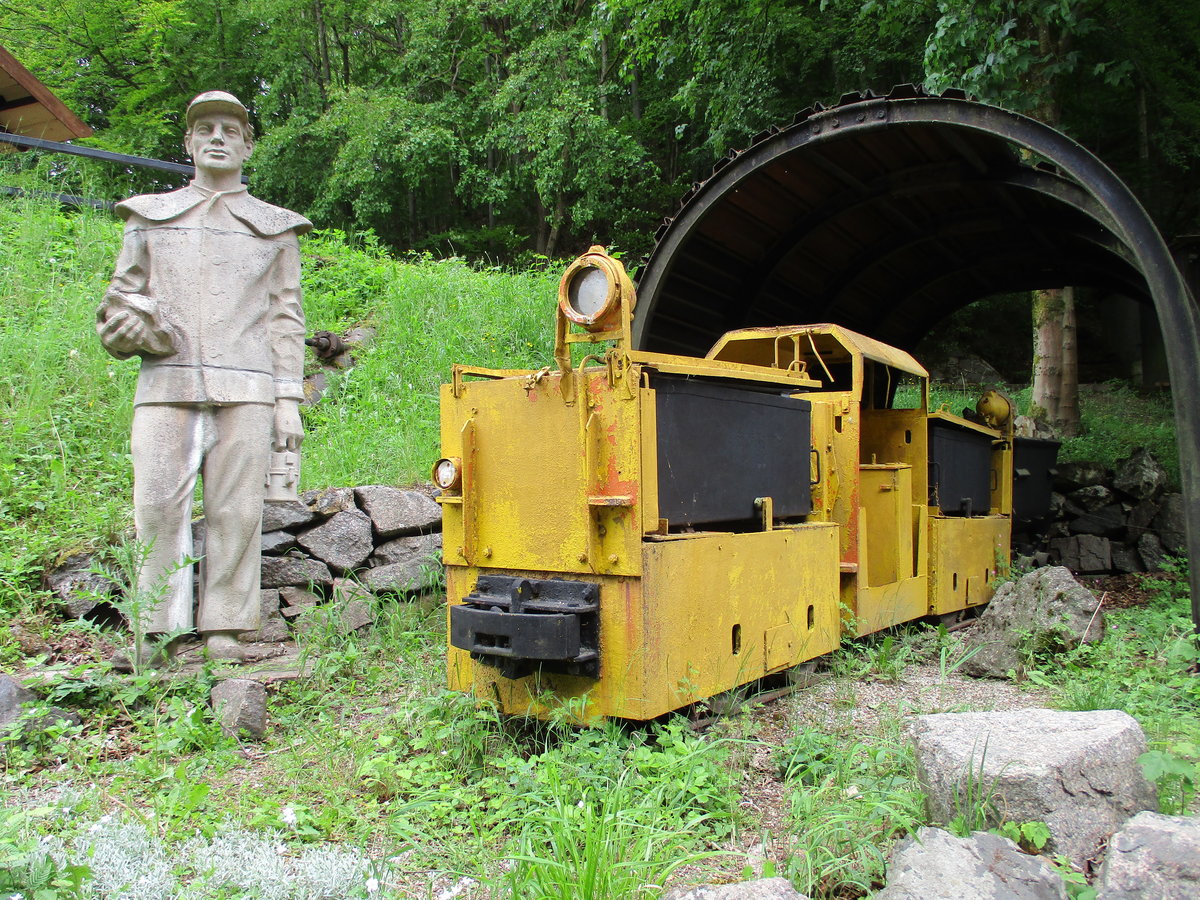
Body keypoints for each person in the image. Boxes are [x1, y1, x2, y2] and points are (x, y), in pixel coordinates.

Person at [97, 91, 311, 664]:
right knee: (157, 505)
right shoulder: (148, 217)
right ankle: (157, 631)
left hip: (248, 387)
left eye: (230, 129)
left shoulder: (275, 229)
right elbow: (120, 299)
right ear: (189, 143)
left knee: (237, 510)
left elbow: (286, 317)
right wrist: (120, 329)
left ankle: (226, 630)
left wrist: (288, 399)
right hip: (166, 382)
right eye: (205, 129)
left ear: (247, 145)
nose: (218, 137)